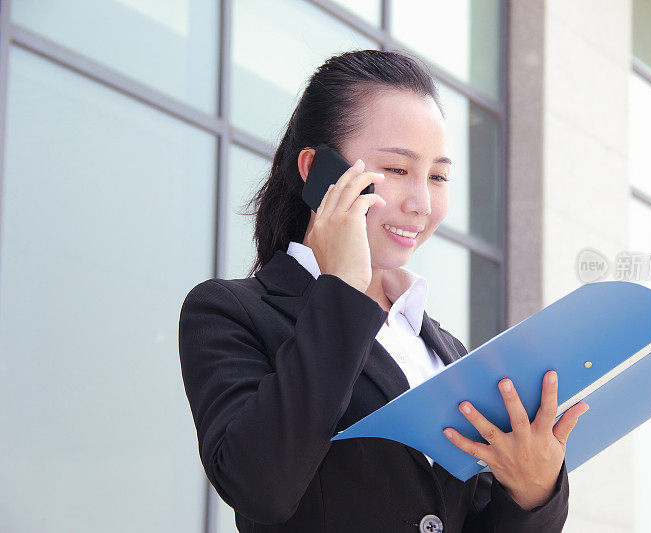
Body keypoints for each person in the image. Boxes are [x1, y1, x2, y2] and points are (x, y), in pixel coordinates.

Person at [178, 49, 589, 533]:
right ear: (317, 170)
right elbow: (261, 486)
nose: (421, 203)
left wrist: (533, 493)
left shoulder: (442, 349)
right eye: (397, 170)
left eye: (438, 176)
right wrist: (341, 292)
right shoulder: (230, 313)